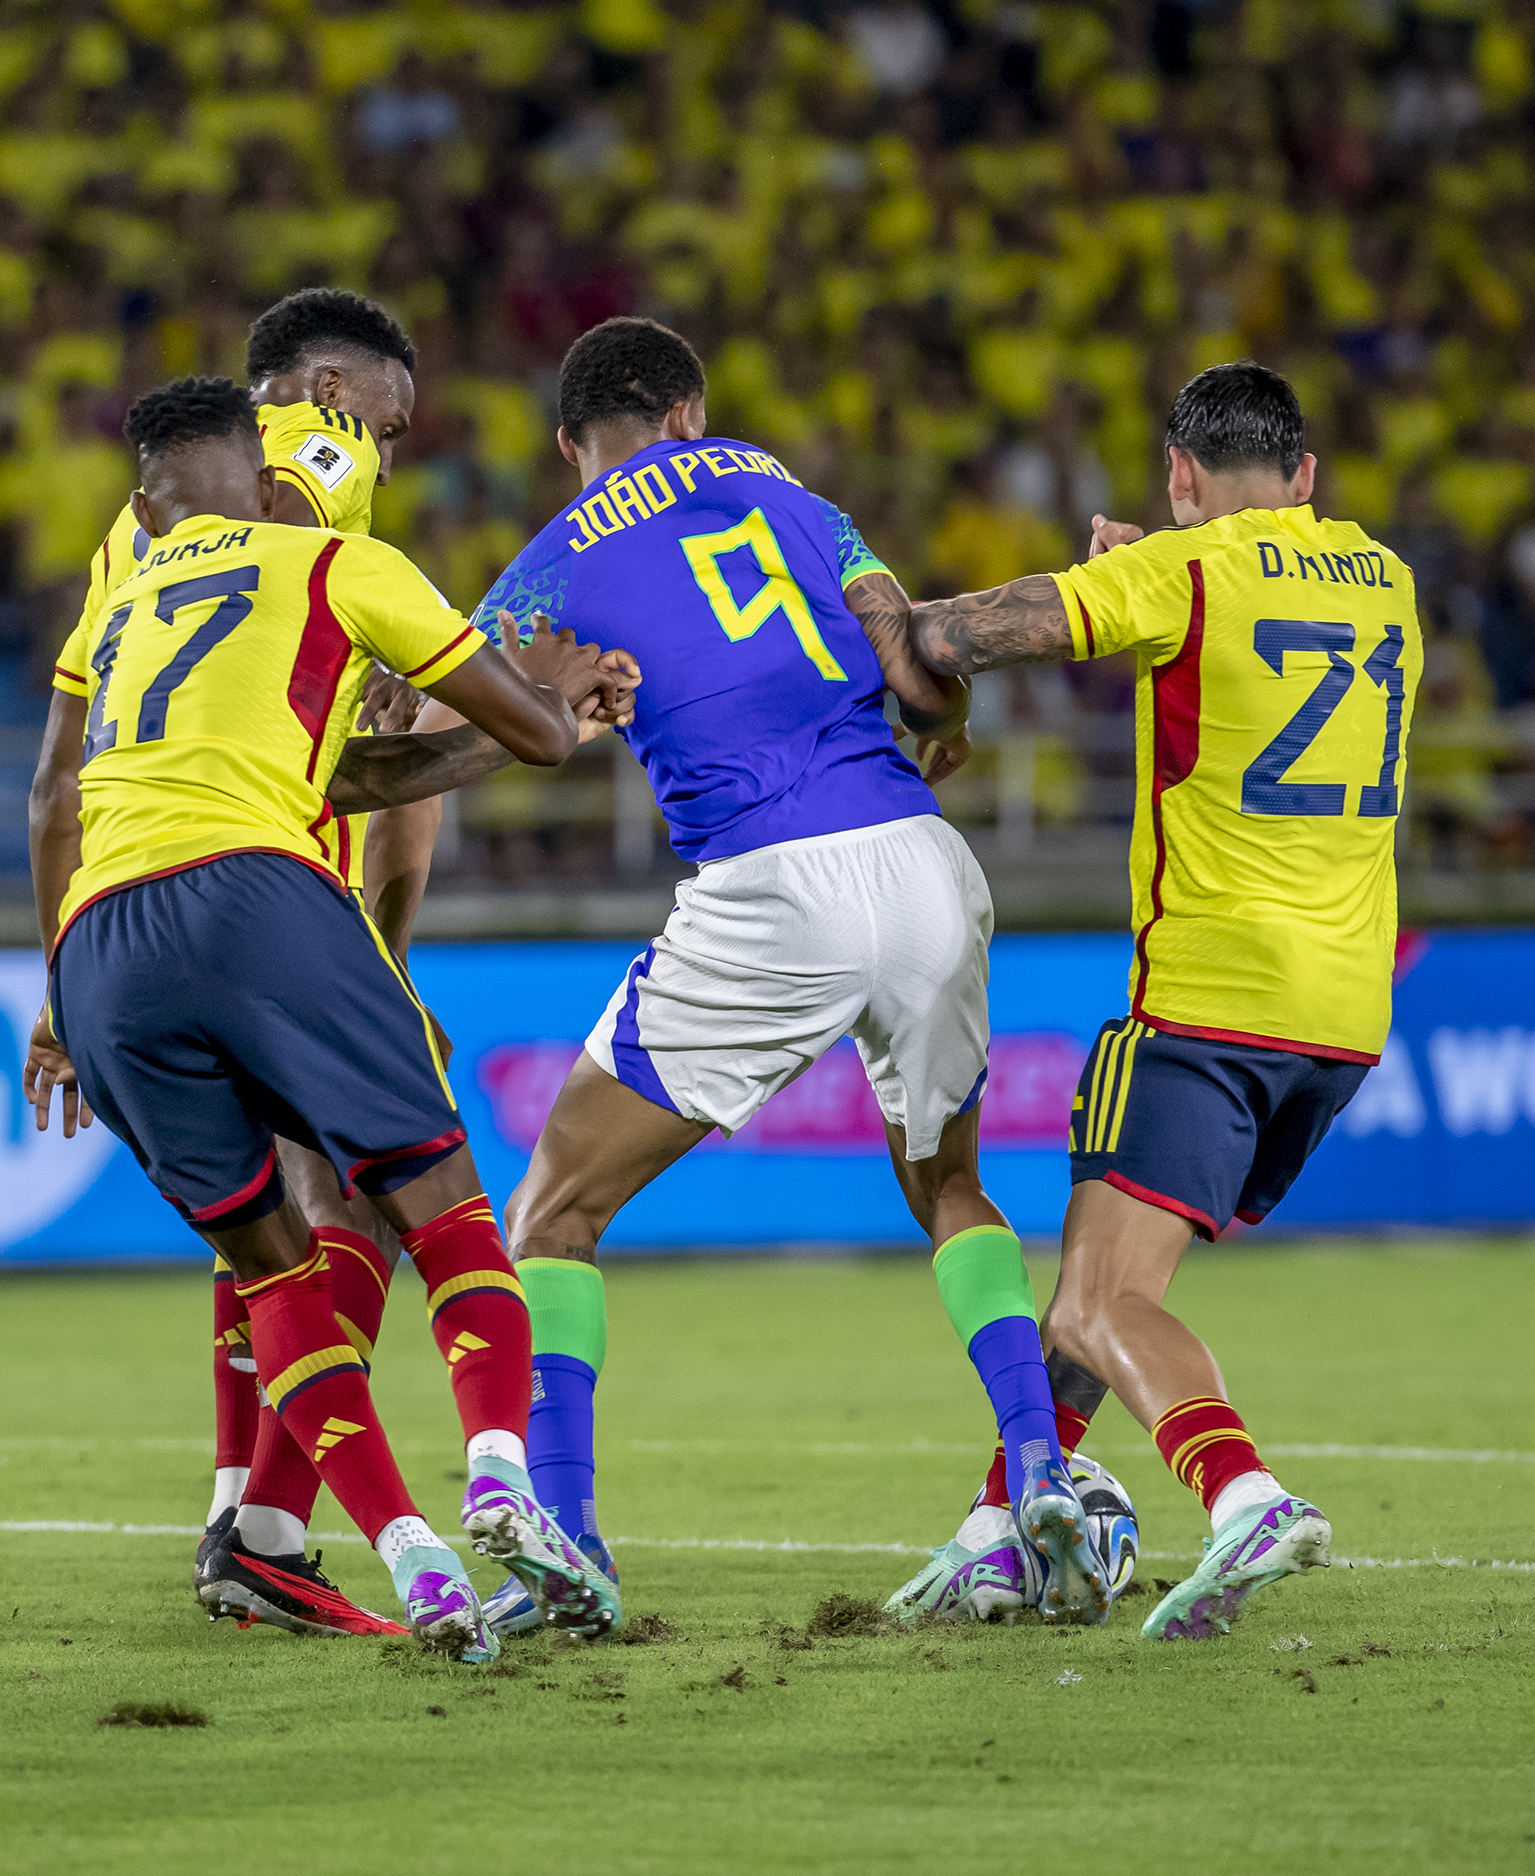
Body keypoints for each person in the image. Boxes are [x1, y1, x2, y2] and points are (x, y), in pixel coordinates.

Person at [461, 317, 1114, 1633]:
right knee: (952, 1187)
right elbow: (923, 678)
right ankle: (1039, 1465)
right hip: (923, 861)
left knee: (551, 1216)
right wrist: (957, 728)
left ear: (570, 443)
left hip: (769, 881)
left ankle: (571, 1538)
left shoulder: (546, 566)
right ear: (691, 410)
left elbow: (459, 718)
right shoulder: (799, 500)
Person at [22, 376, 628, 1661]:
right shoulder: (339, 558)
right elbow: (523, 736)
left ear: (145, 503)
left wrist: (56, 1005)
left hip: (99, 950)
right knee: (439, 1205)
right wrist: (558, 689)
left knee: (266, 1264)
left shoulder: (121, 599)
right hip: (259, 899)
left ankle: (393, 1551)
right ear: (267, 471)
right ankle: (496, 1476)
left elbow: (50, 799)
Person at [897, 361, 1421, 1641]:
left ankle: (1241, 1493)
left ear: (1178, 475)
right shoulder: (1385, 575)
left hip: (1204, 999)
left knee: (1089, 1302)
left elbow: (949, 636)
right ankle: (999, 1524)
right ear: (1303, 479)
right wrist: (1153, 570)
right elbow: (1245, 623)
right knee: (1111, 1280)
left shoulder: (1173, 577)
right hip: (1342, 1019)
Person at [52, 290, 448, 1638]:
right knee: (375, 1187)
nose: (383, 455)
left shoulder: (138, 519)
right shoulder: (317, 460)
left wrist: (52, 985)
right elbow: (320, 648)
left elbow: (64, 769)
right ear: (332, 386)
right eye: (388, 423)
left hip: (124, 883)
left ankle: (244, 1501)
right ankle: (274, 1523)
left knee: (261, 1223)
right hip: (267, 856)